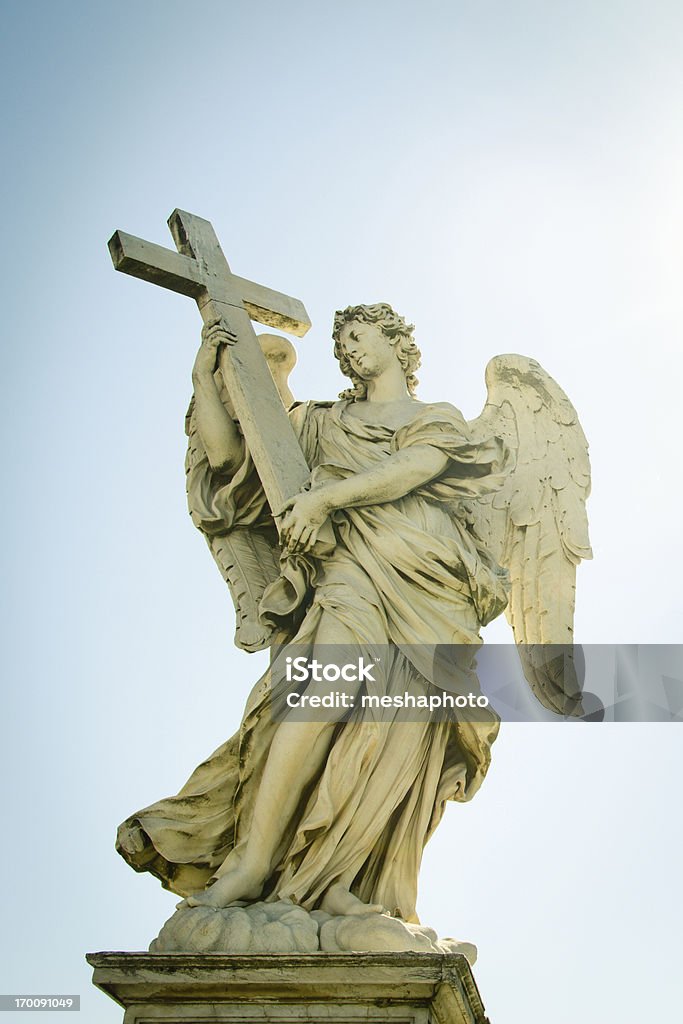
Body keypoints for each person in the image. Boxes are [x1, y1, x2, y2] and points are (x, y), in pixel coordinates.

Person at [117, 303, 511, 924]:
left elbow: (419, 465)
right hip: (354, 569)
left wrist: (326, 496)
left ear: (397, 341)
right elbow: (231, 460)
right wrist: (206, 375)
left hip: (433, 586)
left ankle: (349, 881)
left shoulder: (436, 418)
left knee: (397, 736)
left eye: (358, 335)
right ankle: (253, 862)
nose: (347, 348)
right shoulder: (322, 423)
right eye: (340, 342)